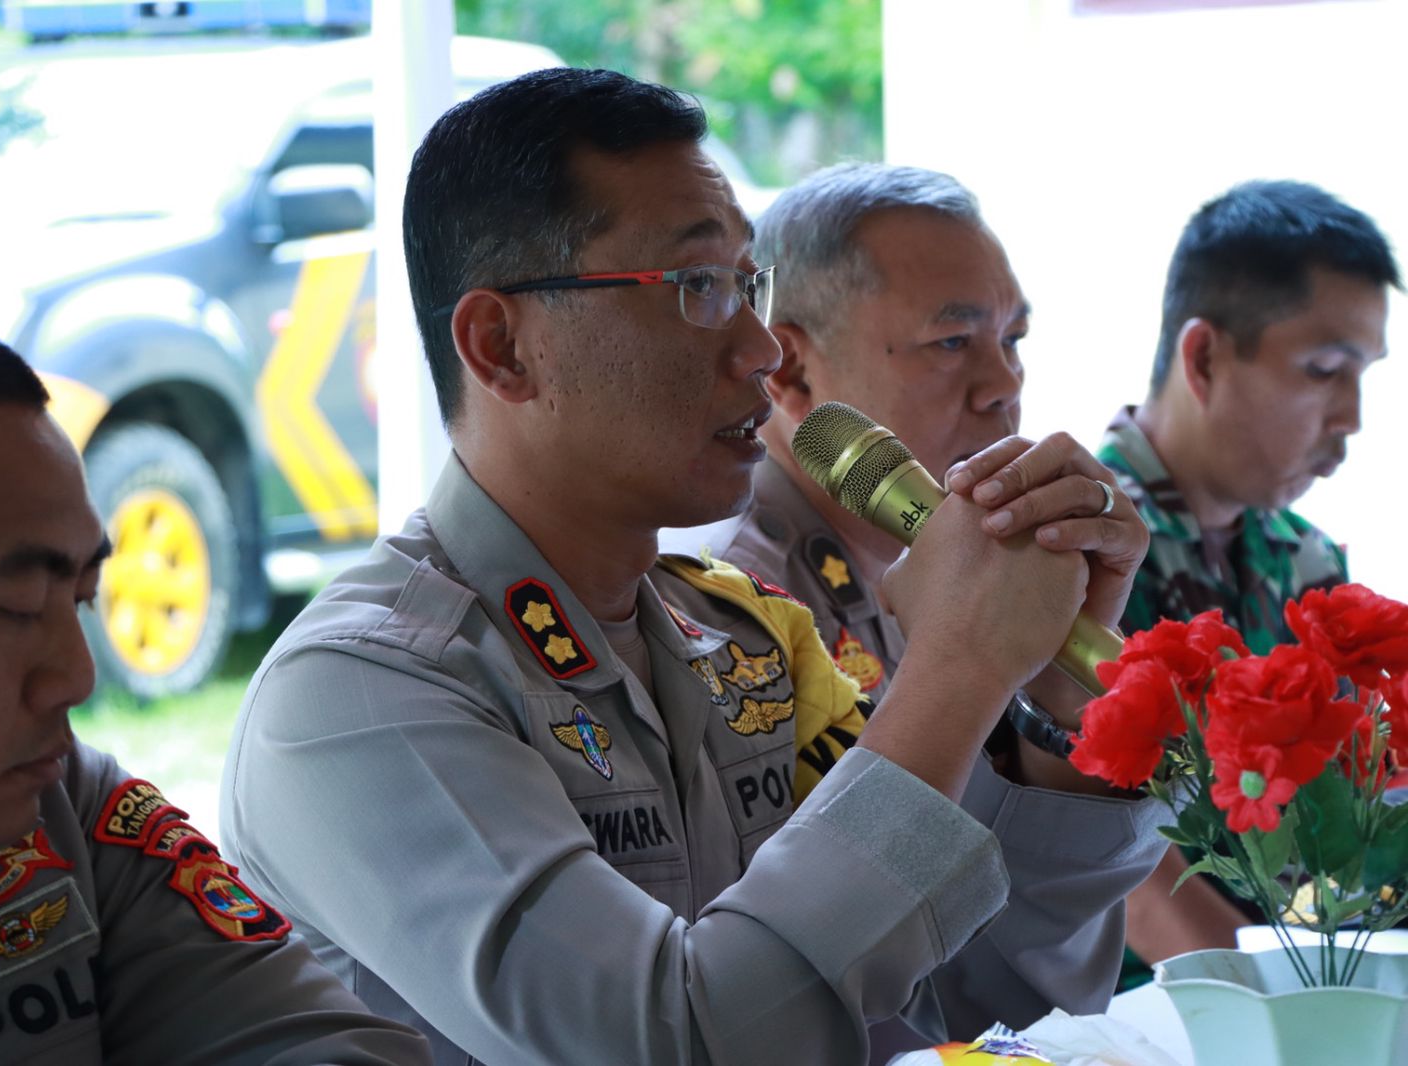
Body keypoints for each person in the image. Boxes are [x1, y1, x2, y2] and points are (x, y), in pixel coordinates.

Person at [221, 69, 1159, 1066]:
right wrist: (959, 667)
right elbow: (673, 1044)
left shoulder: (737, 639)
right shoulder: (362, 691)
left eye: (745, 286)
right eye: (696, 288)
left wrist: (1060, 718)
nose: (760, 348)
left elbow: (982, 990)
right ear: (502, 346)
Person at [0, 295, 432, 1065]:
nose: (75, 675)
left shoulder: (63, 813)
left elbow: (333, 1047)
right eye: (12, 607)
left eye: (78, 602)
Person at [662, 162, 1169, 1047]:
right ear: (789, 373)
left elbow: (1028, 963)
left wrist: (1064, 690)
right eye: (951, 343)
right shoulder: (724, 610)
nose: (1001, 383)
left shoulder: (974, 571)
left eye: (1013, 339)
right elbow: (835, 990)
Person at [1094, 180, 1399, 977]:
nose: (1352, 417)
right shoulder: (1081, 551)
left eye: (1363, 373)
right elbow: (1122, 862)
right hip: (1138, 1014)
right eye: (1324, 369)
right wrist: (1286, 1010)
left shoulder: (1307, 561)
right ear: (1203, 357)